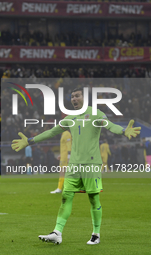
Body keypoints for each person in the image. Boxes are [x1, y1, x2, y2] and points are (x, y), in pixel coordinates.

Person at [11, 88, 141, 245]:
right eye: (72, 96)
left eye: (77, 96)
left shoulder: (96, 113)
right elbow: (51, 132)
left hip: (91, 164)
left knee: (93, 199)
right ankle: (57, 232)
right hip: (74, 165)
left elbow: (110, 126)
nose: (74, 99)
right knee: (66, 197)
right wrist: (30, 141)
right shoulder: (69, 118)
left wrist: (123, 131)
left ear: (84, 98)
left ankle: (96, 234)